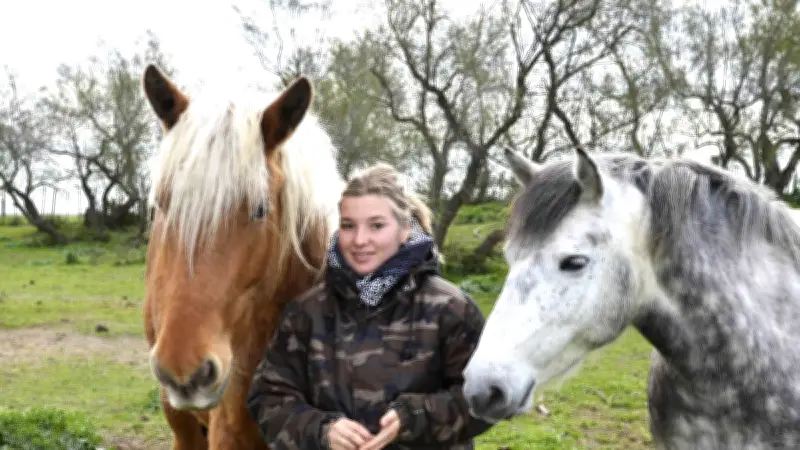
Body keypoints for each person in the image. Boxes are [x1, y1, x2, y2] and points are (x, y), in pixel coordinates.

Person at [247, 163, 495, 450]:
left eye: (377, 225)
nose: (359, 240)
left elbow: (482, 399)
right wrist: (322, 430)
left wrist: (413, 418)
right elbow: (267, 398)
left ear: (405, 230)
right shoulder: (306, 312)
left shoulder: (450, 308)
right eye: (348, 225)